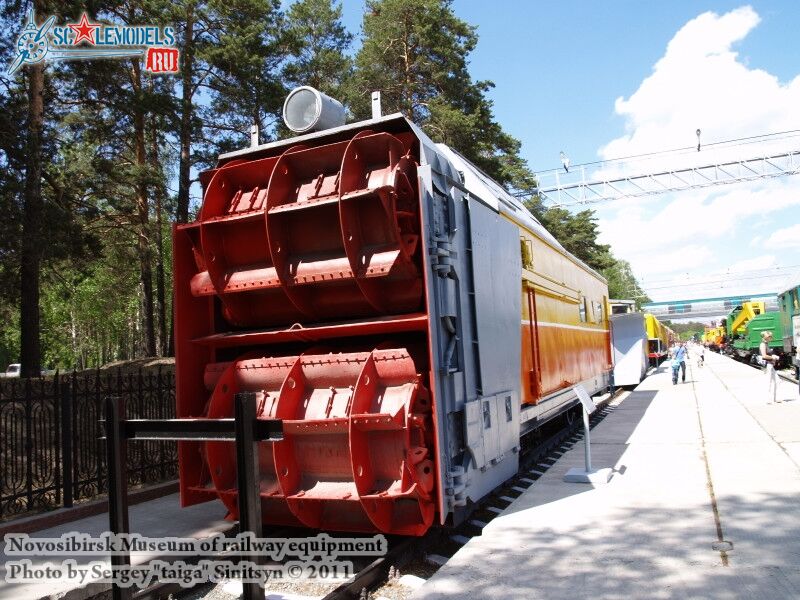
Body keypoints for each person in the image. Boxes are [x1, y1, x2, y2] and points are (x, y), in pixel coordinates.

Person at [759, 331, 780, 404]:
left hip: (770, 365)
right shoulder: (763, 345)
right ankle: (768, 399)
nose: (771, 338)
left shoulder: (766, 344)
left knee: (777, 381)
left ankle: (775, 398)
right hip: (768, 365)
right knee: (769, 382)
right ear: (767, 337)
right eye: (770, 336)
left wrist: (772, 358)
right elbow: (764, 356)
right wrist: (773, 357)